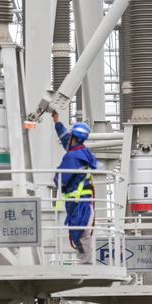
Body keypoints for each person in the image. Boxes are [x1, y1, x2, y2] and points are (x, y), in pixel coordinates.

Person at [52, 109, 98, 264]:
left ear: (74, 136)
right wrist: (57, 123)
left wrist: (56, 181)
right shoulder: (82, 152)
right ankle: (85, 260)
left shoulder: (72, 156)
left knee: (80, 229)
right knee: (79, 229)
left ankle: (86, 263)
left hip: (77, 201)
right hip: (82, 200)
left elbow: (61, 179)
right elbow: (67, 141)